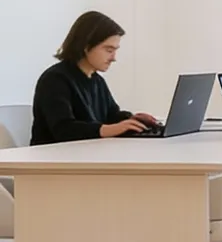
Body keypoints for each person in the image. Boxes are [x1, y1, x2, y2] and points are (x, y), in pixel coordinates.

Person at [30, 11, 157, 145]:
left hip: (84, 155)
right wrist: (112, 128)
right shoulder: (54, 80)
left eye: (115, 50)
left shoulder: (97, 80)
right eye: (109, 50)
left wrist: (133, 119)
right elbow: (64, 130)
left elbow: (111, 116)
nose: (114, 58)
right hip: (53, 159)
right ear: (86, 46)